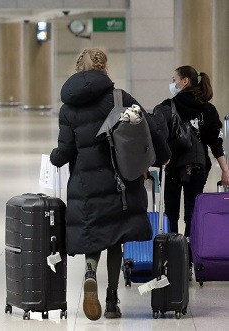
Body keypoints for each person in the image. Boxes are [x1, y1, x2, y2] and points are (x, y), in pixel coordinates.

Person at [50, 48, 170, 320]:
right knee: (116, 237)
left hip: (85, 181)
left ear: (79, 68)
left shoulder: (69, 108)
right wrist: (163, 157)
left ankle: (90, 272)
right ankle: (112, 300)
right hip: (120, 180)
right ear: (104, 68)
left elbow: (65, 151)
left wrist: (56, 157)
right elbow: (149, 127)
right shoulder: (119, 98)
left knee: (93, 231)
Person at [153, 66, 229, 276]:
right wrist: (225, 170)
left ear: (185, 81)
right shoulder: (208, 110)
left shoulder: (167, 107)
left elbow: (157, 138)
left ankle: (172, 259)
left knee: (171, 213)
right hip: (198, 167)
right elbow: (215, 143)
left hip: (172, 167)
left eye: (174, 79)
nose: (172, 83)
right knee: (192, 215)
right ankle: (188, 260)